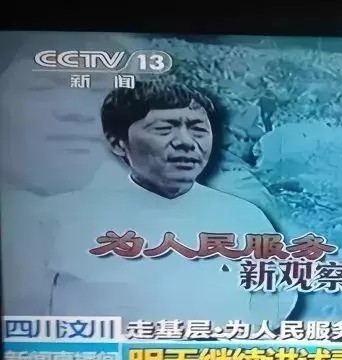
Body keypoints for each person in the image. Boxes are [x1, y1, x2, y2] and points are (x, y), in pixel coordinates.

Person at [38, 80, 297, 328]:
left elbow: (277, 294)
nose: (185, 142)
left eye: (198, 129)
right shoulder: (60, 217)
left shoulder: (245, 216)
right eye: (164, 129)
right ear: (118, 142)